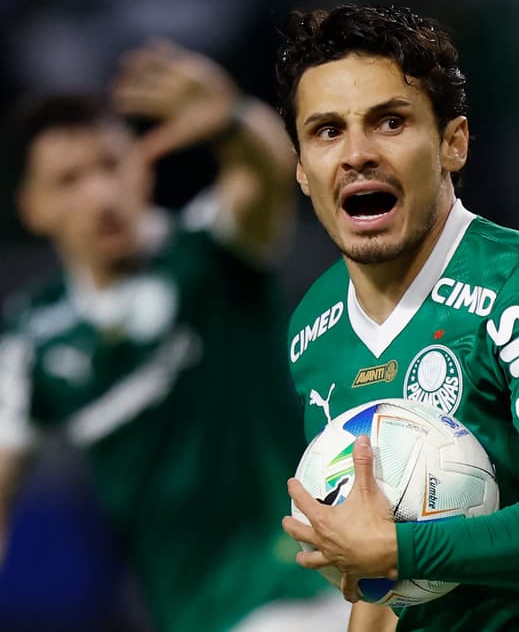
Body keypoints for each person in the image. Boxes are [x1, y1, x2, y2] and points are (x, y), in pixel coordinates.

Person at [276, 4, 519, 631]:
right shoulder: (314, 329)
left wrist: (401, 550)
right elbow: (381, 591)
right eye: (327, 131)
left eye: (390, 122)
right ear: (300, 168)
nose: (357, 154)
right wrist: (381, 559)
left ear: (453, 143)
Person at [0, 41, 350, 631]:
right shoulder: (29, 339)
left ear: (143, 167)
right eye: (69, 180)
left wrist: (235, 119)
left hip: (314, 574)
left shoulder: (212, 252)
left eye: (111, 165)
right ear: (33, 207)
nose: (100, 195)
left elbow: (265, 176)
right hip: (200, 613)